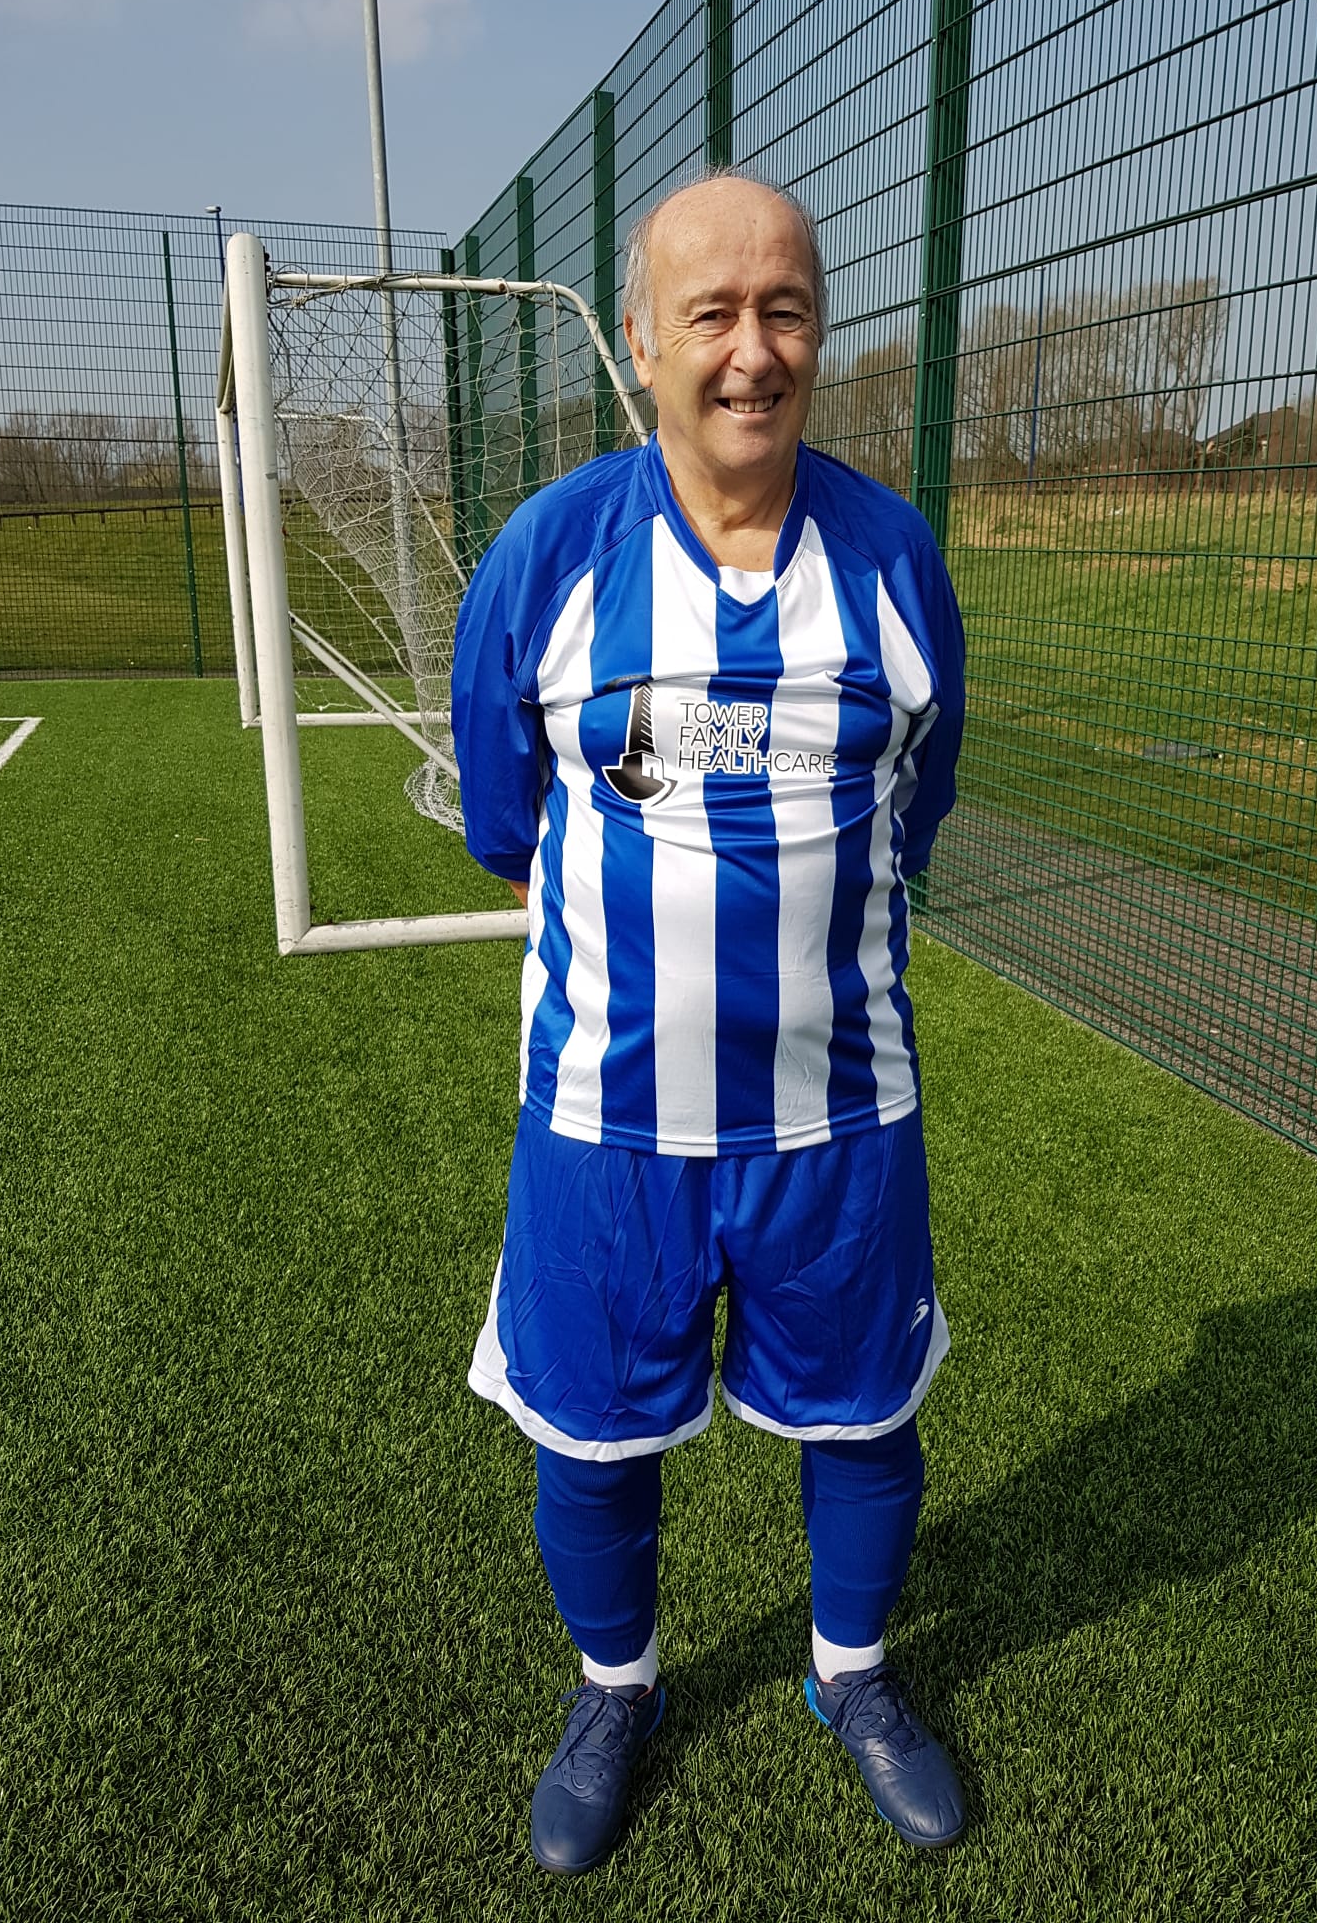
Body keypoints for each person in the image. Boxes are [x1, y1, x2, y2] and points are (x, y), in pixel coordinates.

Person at [450, 169, 967, 1875]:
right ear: (642, 348)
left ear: (820, 329)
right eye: (714, 314)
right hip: (608, 1122)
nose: (755, 351)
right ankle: (618, 1691)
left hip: (841, 1116)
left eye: (787, 309)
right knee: (591, 1439)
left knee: (865, 1417)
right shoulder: (550, 557)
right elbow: (507, 821)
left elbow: (914, 806)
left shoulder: (893, 562)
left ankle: (852, 1674)